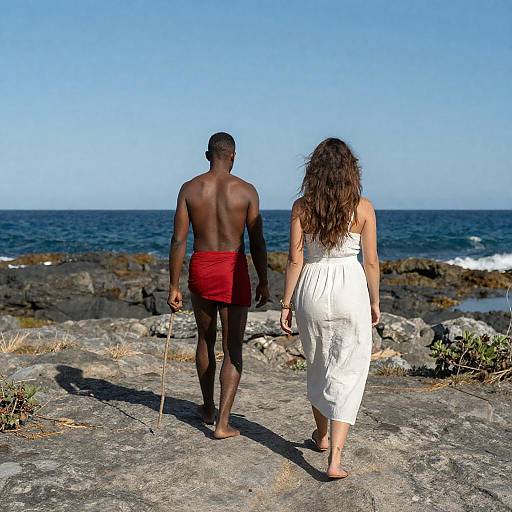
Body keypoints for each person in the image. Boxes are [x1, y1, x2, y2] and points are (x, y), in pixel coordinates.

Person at [280, 138, 380, 478]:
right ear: (351, 171)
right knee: (349, 369)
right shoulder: (363, 208)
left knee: (318, 362)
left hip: (312, 285)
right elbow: (372, 263)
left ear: (314, 171)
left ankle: (320, 437)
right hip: (350, 287)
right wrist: (375, 301)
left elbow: (295, 260)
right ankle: (335, 457)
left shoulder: (301, 207)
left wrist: (286, 304)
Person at [168, 132, 270, 439]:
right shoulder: (247, 191)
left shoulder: (189, 189)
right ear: (233, 156)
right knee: (232, 348)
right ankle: (222, 423)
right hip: (232, 268)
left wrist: (173, 285)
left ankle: (208, 407)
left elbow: (179, 240)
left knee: (205, 340)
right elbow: (257, 241)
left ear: (207, 155)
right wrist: (264, 281)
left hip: (202, 266)